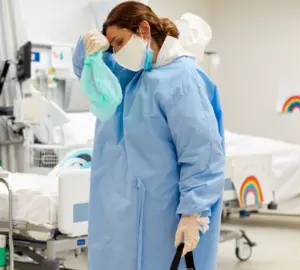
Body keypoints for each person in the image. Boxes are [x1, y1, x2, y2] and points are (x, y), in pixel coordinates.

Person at [72, 2, 224, 270]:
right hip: (116, 217)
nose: (116, 53)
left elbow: (202, 153)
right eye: (112, 47)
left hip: (163, 217)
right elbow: (88, 72)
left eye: (118, 43)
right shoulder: (128, 74)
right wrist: (87, 47)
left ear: (143, 30)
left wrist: (193, 211)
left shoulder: (181, 78)